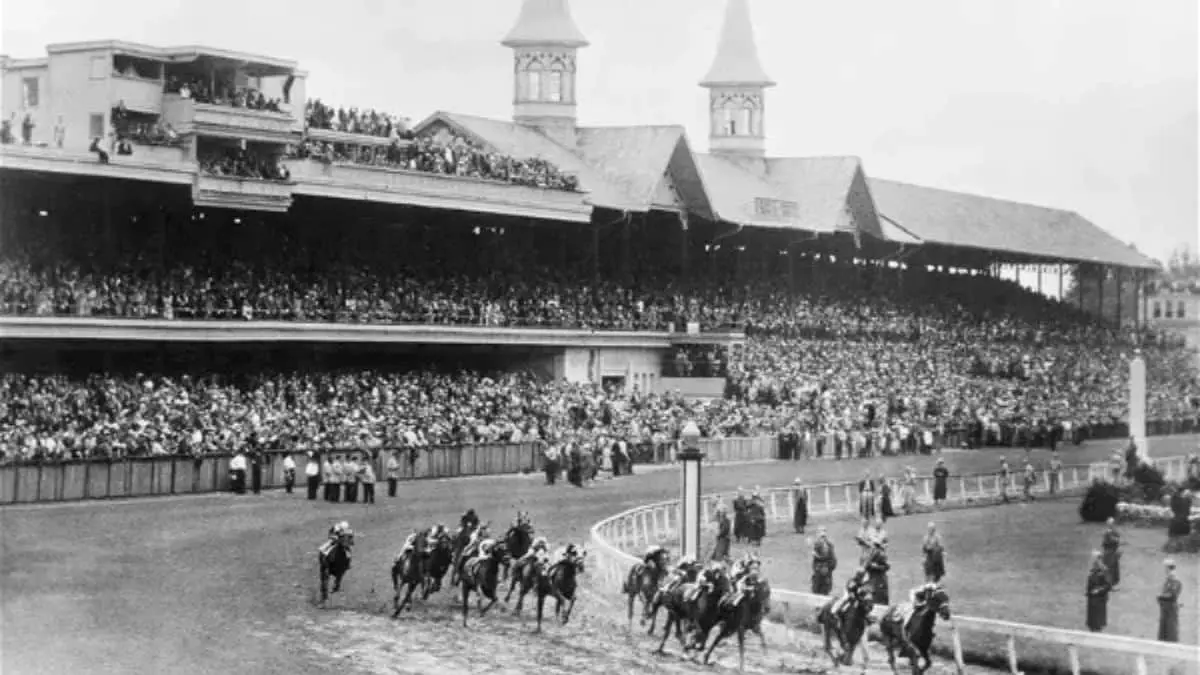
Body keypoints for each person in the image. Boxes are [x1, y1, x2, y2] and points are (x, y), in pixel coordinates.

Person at [1085, 550, 1112, 632]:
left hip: (1099, 598)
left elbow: (1108, 585)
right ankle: (1092, 629)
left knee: (1098, 620)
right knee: (1092, 620)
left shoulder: (1104, 570)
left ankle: (1097, 630)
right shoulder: (1092, 569)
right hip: (1092, 598)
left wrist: (1098, 590)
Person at [1157, 559, 1182, 643]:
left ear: (1168, 568)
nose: (1164, 570)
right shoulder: (1169, 578)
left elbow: (1172, 595)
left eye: (1165, 567)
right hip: (1165, 608)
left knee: (1171, 631)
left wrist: (1160, 596)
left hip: (1170, 608)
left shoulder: (1174, 579)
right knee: (1164, 630)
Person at [811, 527, 837, 595]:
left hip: (826, 577)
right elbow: (814, 563)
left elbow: (834, 562)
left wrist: (827, 567)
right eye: (820, 533)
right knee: (816, 593)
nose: (823, 537)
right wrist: (818, 568)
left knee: (825, 594)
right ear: (817, 535)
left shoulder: (830, 546)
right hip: (817, 577)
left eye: (824, 534)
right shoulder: (816, 545)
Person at [864, 538, 891, 605]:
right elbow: (868, 565)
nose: (886, 546)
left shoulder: (874, 551)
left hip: (876, 578)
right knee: (879, 596)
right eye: (885, 543)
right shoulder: (879, 553)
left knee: (874, 595)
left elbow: (867, 565)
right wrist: (878, 567)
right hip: (878, 579)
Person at [1101, 518, 1121, 587]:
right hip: (1108, 552)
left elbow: (1118, 539)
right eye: (1110, 524)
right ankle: (1108, 585)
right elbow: (1106, 542)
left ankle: (1112, 584)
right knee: (1109, 569)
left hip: (1113, 552)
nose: (1111, 525)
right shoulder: (1107, 532)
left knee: (1114, 569)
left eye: (1112, 524)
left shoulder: (1114, 532)